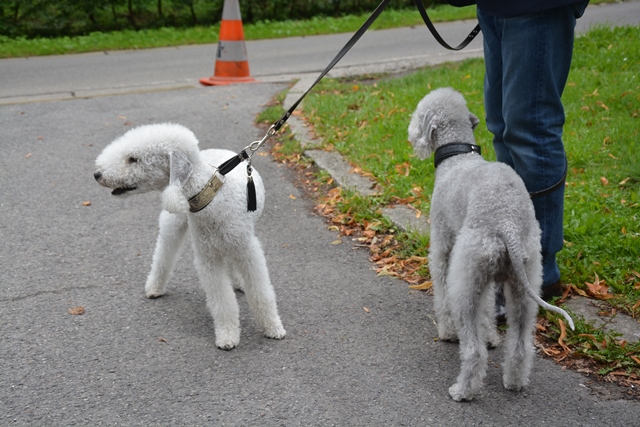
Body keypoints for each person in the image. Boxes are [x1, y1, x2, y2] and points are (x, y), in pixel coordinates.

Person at [475, 1, 590, 314]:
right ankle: (512, 257)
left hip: (537, 4)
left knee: (531, 129)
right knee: (502, 128)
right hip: (495, 6)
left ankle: (538, 272)